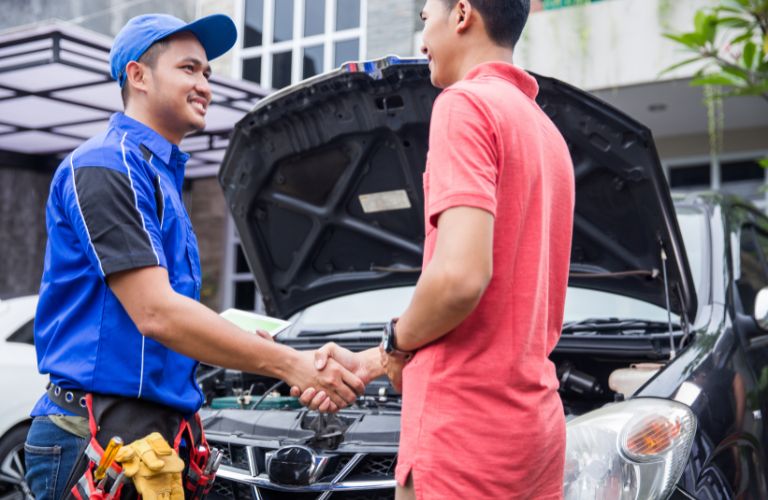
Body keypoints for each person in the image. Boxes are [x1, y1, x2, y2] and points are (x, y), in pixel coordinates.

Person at [25, 13, 363, 500]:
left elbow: (166, 315)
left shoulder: (157, 174)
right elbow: (156, 312)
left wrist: (284, 349)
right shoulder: (106, 166)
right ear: (138, 76)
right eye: (189, 69)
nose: (205, 84)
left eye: (207, 72)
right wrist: (292, 366)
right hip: (96, 436)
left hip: (153, 435)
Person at [293, 0, 575, 498]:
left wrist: (396, 343)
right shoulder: (547, 133)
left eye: (425, 20)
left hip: (462, 435)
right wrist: (374, 359)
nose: (421, 44)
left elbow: (459, 279)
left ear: (461, 14)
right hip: (532, 434)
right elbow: (494, 318)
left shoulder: (465, 104)